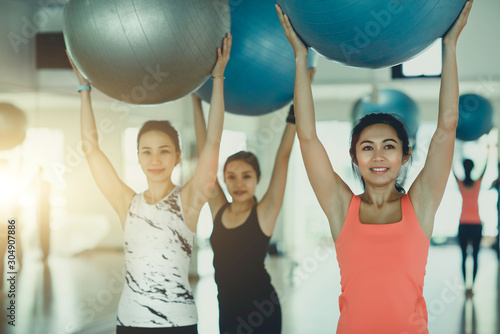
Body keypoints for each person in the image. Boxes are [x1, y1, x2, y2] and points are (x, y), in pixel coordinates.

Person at [276, 1, 472, 333]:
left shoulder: (420, 205)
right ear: (354, 157)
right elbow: (307, 139)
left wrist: (449, 46)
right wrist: (300, 57)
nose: (378, 157)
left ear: (405, 156)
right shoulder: (341, 208)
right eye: (367, 148)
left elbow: (446, 128)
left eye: (389, 147)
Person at [67, 34, 232, 334]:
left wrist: (218, 78)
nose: (155, 159)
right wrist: (83, 89)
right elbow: (90, 148)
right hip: (130, 323)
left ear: (178, 156)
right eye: (147, 151)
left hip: (179, 323)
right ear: (139, 158)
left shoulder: (190, 199)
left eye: (164, 151)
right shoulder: (126, 203)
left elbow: (213, 142)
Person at [192, 77, 313, 333]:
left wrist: (299, 96)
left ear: (257, 179)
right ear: (223, 179)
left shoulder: (265, 212)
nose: (239, 183)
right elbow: (206, 154)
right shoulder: (218, 209)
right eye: (232, 176)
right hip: (226, 310)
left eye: (246, 176)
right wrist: (194, 96)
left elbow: (283, 155)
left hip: (261, 312)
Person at [454, 157, 487, 297]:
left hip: (463, 224)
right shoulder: (477, 182)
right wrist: (489, 151)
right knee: (475, 256)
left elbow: (451, 169)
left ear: (464, 168)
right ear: (472, 168)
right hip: (476, 225)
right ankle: (471, 287)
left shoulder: (460, 183)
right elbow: (484, 168)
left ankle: (466, 289)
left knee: (463, 257)